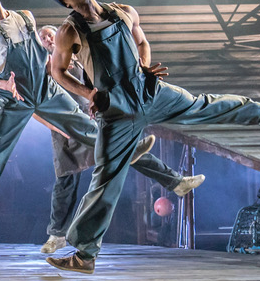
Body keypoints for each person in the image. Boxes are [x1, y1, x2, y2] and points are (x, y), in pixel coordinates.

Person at [45, 0, 260, 275]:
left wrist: (145, 67)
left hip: (149, 91)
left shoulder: (123, 11)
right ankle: (84, 255)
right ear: (65, 0)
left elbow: (142, 42)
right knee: (106, 178)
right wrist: (89, 92)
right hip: (116, 106)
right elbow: (58, 70)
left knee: (204, 105)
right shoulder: (69, 31)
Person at [0, 0, 194, 240]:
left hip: (46, 90)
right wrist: (3, 83)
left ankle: (154, 168)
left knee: (91, 130)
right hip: (15, 96)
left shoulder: (26, 18)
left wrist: (56, 58)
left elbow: (42, 56)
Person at [35, 24, 201, 254]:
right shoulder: (39, 69)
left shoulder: (77, 61)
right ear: (39, 44)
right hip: (64, 128)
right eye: (42, 37)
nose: (47, 39)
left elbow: (94, 87)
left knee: (128, 150)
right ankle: (57, 235)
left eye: (50, 35)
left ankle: (176, 182)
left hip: (88, 117)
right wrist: (56, 126)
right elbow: (32, 108)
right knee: (65, 180)